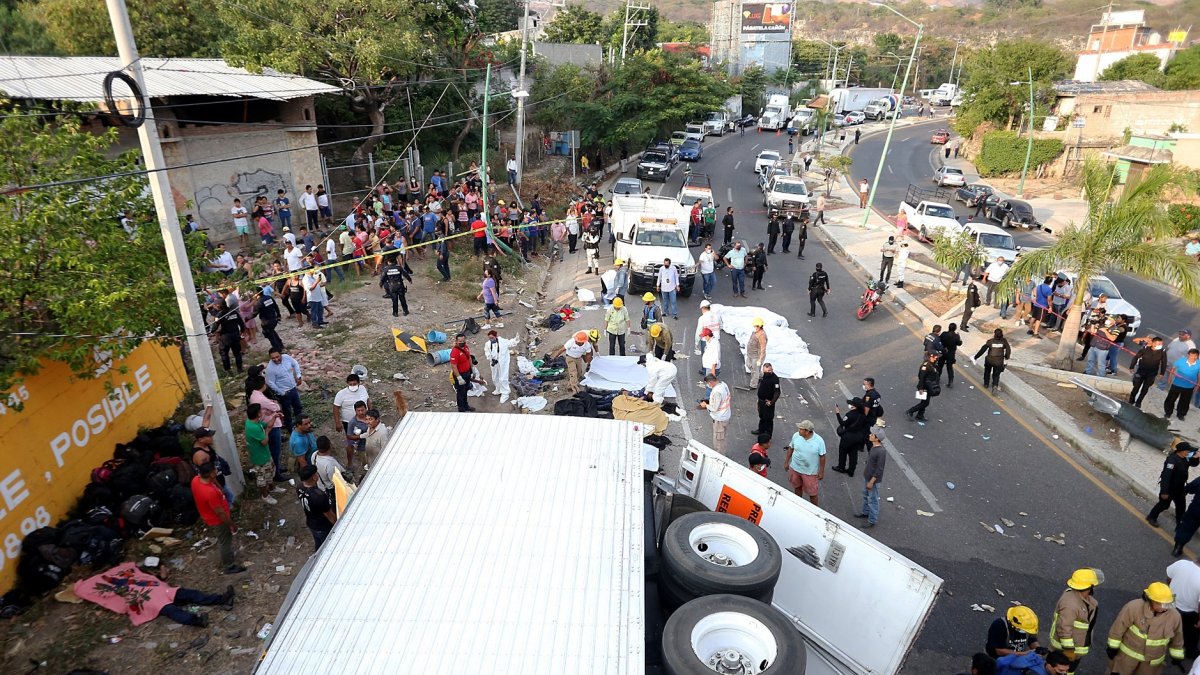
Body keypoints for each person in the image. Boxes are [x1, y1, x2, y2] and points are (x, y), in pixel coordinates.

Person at [1105, 582, 1184, 674]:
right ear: (1149, 600)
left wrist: (1176, 655)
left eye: (1166, 603)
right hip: (1127, 657)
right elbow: (1118, 627)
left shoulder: (1174, 616)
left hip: (1152, 662)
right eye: (1159, 603)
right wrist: (1112, 647)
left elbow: (1177, 636)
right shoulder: (1133, 608)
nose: (1163, 607)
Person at [191, 462, 244, 575]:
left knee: (224, 539)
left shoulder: (196, 480)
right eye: (214, 470)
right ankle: (229, 565)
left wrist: (220, 489)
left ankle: (228, 558)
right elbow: (220, 513)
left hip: (208, 514)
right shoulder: (210, 493)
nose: (216, 470)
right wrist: (231, 524)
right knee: (225, 541)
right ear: (210, 474)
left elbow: (213, 483)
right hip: (218, 520)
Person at [1050, 568, 1103, 672]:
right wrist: (1069, 650)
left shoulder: (1078, 598)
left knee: (1069, 671)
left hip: (1074, 650)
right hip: (1065, 651)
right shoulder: (1070, 605)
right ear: (1089, 587)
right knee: (1062, 671)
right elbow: (1064, 628)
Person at [1148, 442, 1199, 527]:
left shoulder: (1185, 458)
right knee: (1164, 505)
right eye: (1187, 451)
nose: (1188, 453)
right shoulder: (1172, 461)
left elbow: (1194, 464)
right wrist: (1164, 492)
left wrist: (1196, 458)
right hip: (1170, 489)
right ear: (1181, 451)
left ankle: (1180, 524)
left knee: (1181, 507)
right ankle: (1151, 517)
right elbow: (1166, 477)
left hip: (1180, 488)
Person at [243, 403, 278, 503]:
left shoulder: (255, 422)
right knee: (262, 478)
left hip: (265, 454)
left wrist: (274, 417)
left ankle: (272, 488)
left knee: (270, 471)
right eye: (261, 411)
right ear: (258, 414)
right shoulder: (253, 427)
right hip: (260, 458)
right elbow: (264, 441)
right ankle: (265, 495)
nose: (262, 412)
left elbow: (267, 426)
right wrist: (266, 432)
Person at [786, 420, 826, 506]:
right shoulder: (796, 436)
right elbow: (791, 448)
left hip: (810, 472)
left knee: (812, 493)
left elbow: (822, 456)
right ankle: (798, 505)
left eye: (801, 429)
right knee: (797, 487)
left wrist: (821, 472)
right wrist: (786, 462)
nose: (798, 430)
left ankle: (815, 510)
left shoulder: (819, 441)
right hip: (795, 468)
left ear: (807, 432)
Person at [296, 465, 335, 550]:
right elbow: (329, 515)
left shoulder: (299, 487)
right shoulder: (319, 496)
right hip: (322, 526)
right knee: (326, 546)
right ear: (314, 477)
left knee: (318, 542)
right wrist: (337, 524)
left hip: (311, 523)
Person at [1167, 557, 1200, 659]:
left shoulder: (1181, 563)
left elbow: (1169, 577)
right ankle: (1190, 651)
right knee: (1191, 633)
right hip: (1189, 611)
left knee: (1166, 623)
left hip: (1169, 603)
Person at [265, 347, 303, 430]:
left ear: (280, 354)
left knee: (298, 407)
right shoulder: (270, 369)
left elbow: (295, 364)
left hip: (293, 388)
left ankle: (300, 425)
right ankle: (290, 429)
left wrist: (298, 376)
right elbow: (270, 383)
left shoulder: (286, 358)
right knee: (287, 412)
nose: (276, 359)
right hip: (284, 393)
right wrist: (281, 392)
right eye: (273, 358)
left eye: (277, 357)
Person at [855, 427, 886, 527]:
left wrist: (871, 481)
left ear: (877, 438)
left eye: (872, 434)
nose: (869, 435)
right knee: (865, 496)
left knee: (873, 499)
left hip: (872, 480)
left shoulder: (881, 451)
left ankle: (872, 520)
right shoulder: (873, 447)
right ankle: (866, 512)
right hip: (867, 476)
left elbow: (879, 469)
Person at [832, 398, 871, 477]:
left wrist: (837, 413)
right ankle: (851, 471)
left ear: (855, 406)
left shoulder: (850, 414)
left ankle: (841, 467)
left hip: (848, 437)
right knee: (853, 454)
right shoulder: (863, 415)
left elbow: (842, 423)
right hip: (858, 437)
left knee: (843, 452)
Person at [1130, 336, 1168, 408]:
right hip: (1141, 372)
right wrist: (1132, 367)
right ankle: (1131, 401)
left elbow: (1164, 362)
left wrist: (1162, 373)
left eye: (1161, 344)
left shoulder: (1163, 351)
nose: (1160, 345)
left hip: (1151, 374)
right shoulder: (1145, 349)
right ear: (1153, 343)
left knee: (1145, 389)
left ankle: (1139, 402)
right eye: (1159, 344)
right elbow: (1136, 357)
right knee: (1136, 388)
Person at [699, 373, 731, 455]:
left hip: (719, 418)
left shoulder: (717, 391)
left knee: (718, 440)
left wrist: (705, 405)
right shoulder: (724, 385)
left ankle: (719, 456)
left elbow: (714, 408)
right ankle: (722, 453)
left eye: (707, 383)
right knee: (723, 437)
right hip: (725, 415)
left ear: (710, 382)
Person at [331, 373, 370, 440]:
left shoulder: (363, 389)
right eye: (350, 384)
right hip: (349, 422)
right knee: (351, 440)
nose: (352, 386)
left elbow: (368, 400)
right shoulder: (341, 394)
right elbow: (335, 408)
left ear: (359, 382)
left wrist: (370, 413)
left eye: (354, 384)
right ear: (347, 383)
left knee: (367, 436)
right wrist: (337, 423)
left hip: (364, 420)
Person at [1165, 348, 1200, 421]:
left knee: (1185, 402)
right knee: (1170, 399)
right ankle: (1168, 413)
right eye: (1191, 355)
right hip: (1177, 384)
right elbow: (1173, 369)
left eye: (1195, 356)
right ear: (1188, 355)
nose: (1193, 357)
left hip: (1189, 386)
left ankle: (1181, 414)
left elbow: (1199, 374)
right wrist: (1169, 379)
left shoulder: (1199, 364)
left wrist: (1198, 384)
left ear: (1198, 356)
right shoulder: (1181, 361)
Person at [555, 331, 594, 395]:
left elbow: (588, 354)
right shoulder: (571, 342)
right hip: (570, 357)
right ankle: (575, 389)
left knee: (579, 373)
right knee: (573, 372)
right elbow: (561, 350)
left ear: (583, 342)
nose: (576, 341)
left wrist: (588, 363)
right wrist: (555, 357)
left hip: (578, 358)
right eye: (576, 340)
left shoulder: (587, 345)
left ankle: (570, 385)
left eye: (578, 341)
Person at [213, 299, 247, 375]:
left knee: (224, 353)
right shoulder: (234, 312)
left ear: (218, 306)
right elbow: (241, 323)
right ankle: (240, 369)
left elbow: (215, 327)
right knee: (237, 353)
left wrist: (211, 331)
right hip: (235, 335)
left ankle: (228, 370)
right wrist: (241, 331)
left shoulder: (220, 315)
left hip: (225, 337)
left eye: (215, 305)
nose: (214, 307)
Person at [484, 330, 518, 403]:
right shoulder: (487, 344)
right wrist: (489, 357)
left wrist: (516, 339)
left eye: (492, 338)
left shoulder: (503, 341)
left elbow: (511, 343)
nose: (491, 339)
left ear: (496, 336)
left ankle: (505, 393)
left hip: (503, 362)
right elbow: (486, 351)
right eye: (490, 338)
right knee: (494, 377)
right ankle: (498, 388)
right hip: (494, 362)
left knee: (503, 378)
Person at [905, 351, 941, 421]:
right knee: (925, 403)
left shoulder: (932, 364)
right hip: (925, 387)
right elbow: (921, 377)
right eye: (935, 357)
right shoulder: (925, 366)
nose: (936, 359)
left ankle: (920, 415)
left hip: (930, 386)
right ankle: (910, 411)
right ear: (931, 357)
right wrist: (921, 388)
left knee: (924, 402)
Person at [974, 329, 1012, 393]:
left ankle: (986, 384)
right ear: (1001, 334)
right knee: (996, 375)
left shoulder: (990, 341)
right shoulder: (1004, 341)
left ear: (994, 334)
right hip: (999, 361)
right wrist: (1006, 357)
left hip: (989, 360)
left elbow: (983, 350)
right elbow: (1008, 350)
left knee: (987, 372)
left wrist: (976, 357)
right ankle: (995, 385)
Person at [752, 363, 781, 440]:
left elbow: (777, 392)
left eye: (770, 370)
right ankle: (761, 430)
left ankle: (767, 435)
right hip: (761, 401)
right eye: (767, 371)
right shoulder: (764, 376)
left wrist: (771, 402)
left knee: (768, 419)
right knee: (762, 417)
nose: (769, 372)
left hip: (768, 403)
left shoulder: (775, 379)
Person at [449, 333, 475, 413]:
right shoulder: (455, 352)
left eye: (463, 340)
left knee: (466, 390)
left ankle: (466, 406)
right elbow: (453, 366)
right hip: (460, 375)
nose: (462, 342)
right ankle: (461, 409)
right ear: (456, 341)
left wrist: (472, 368)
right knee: (460, 392)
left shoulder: (466, 347)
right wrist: (459, 377)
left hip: (467, 373)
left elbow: (469, 358)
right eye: (460, 341)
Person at [939, 323, 964, 388]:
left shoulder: (944, 334)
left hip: (943, 352)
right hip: (951, 354)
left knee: (939, 366)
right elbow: (959, 343)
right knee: (949, 368)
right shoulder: (956, 336)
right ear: (955, 329)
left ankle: (937, 378)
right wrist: (959, 337)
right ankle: (950, 381)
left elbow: (940, 340)